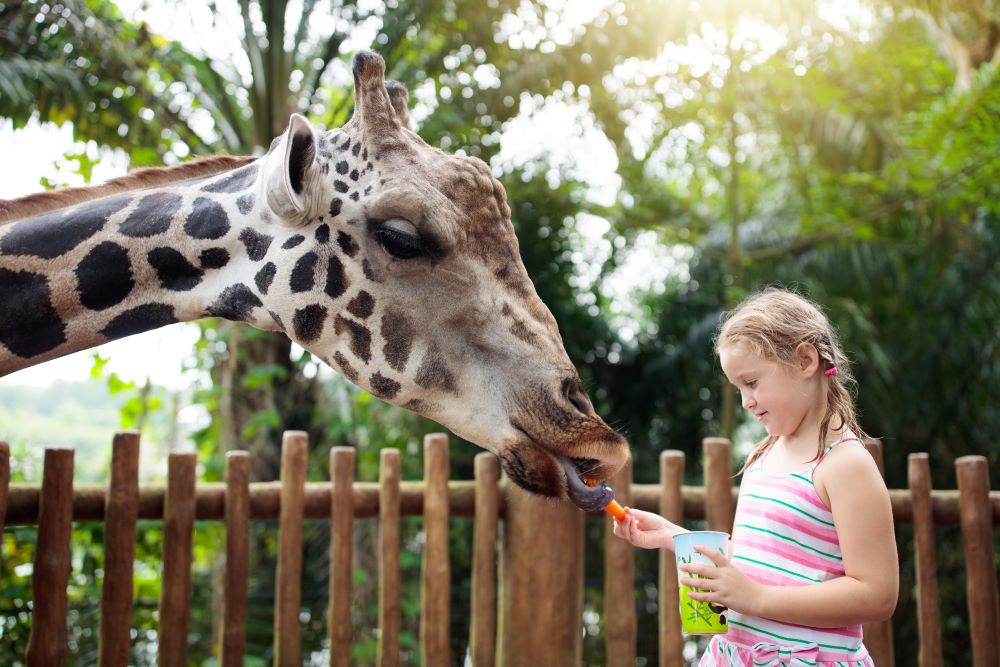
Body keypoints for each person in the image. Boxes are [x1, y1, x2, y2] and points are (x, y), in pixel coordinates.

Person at [613, 287, 898, 666]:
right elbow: (761, 560)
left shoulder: (845, 466)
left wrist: (756, 599)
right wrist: (672, 535)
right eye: (737, 388)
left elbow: (877, 594)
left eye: (752, 383)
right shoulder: (765, 453)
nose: (745, 401)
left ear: (806, 360)